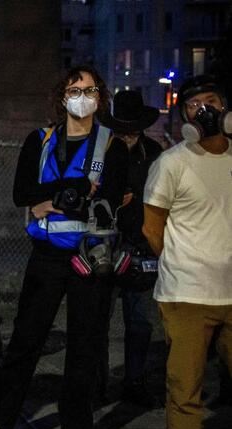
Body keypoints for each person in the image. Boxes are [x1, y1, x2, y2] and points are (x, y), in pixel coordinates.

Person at [0, 66, 126, 429]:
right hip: (47, 257)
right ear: (62, 97)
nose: (82, 96)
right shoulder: (39, 140)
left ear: (100, 96)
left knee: (84, 344)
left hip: (90, 256)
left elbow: (106, 197)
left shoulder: (111, 146)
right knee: (26, 340)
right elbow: (23, 193)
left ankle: (75, 426)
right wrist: (68, 191)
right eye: (75, 89)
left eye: (90, 90)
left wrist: (50, 201)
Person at [141, 75, 232, 429]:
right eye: (194, 106)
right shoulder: (172, 163)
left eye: (211, 102)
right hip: (186, 295)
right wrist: (182, 265)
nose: (203, 111)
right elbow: (151, 228)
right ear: (184, 117)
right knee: (186, 386)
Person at [99, 89, 163, 408]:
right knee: (98, 319)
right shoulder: (100, 151)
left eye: (131, 129)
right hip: (104, 246)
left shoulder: (154, 153)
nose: (126, 135)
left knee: (139, 322)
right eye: (121, 128)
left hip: (140, 245)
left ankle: (134, 381)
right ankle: (96, 383)